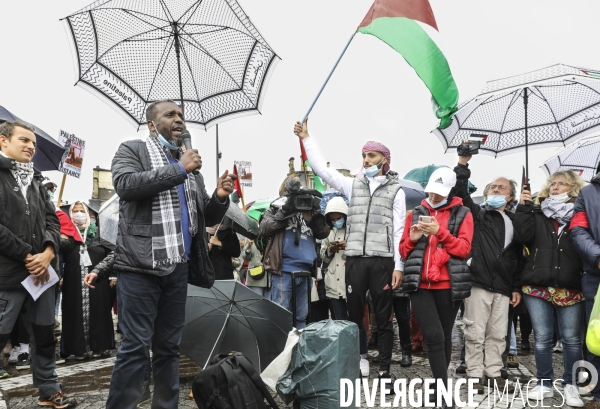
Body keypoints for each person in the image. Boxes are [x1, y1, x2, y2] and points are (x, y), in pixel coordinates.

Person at [90, 100, 233, 409]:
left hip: (178, 267)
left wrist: (220, 197)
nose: (179, 119)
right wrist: (180, 169)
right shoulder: (133, 150)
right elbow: (126, 185)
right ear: (152, 124)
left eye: (181, 115)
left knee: (169, 347)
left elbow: (203, 216)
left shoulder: (191, 165)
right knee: (135, 347)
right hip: (140, 267)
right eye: (170, 114)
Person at [296, 119, 404, 383]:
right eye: (364, 155)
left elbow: (399, 231)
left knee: (383, 316)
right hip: (355, 260)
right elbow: (322, 171)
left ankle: (385, 368)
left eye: (372, 155)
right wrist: (307, 137)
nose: (366, 160)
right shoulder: (353, 185)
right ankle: (361, 359)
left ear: (384, 159)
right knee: (354, 315)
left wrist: (399, 266)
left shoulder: (396, 191)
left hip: (382, 261)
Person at [0, 121, 76, 407]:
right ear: (3, 141)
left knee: (44, 335)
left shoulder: (36, 179)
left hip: (42, 274)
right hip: (7, 274)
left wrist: (47, 252)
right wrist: (26, 255)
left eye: (33, 142)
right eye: (24, 140)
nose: (31, 146)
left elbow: (52, 220)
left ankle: (49, 389)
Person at [400, 167, 474, 406]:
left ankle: (436, 389)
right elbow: (403, 251)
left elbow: (463, 249)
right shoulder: (416, 212)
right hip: (419, 284)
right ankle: (443, 393)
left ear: (451, 191)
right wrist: (411, 240)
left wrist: (440, 232)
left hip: (448, 284)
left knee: (443, 337)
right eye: (431, 191)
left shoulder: (463, 213)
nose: (433, 197)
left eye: (439, 193)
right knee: (433, 335)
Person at [453, 154, 526, 392]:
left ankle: (494, 373)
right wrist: (463, 164)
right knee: (474, 332)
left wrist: (516, 287)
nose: (496, 189)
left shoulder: (516, 222)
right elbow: (461, 194)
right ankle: (474, 375)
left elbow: (516, 259)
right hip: (479, 282)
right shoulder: (479, 215)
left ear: (510, 195)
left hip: (504, 287)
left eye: (501, 187)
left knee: (498, 334)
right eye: (493, 187)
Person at [515, 170, 586, 406]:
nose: (555, 187)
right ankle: (544, 381)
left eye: (561, 184)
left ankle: (571, 385)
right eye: (552, 184)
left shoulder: (581, 213)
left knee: (572, 339)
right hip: (538, 284)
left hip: (570, 284)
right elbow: (521, 236)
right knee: (543, 338)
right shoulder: (537, 212)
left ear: (573, 187)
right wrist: (524, 207)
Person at [259, 178, 330, 329]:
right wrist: (286, 212)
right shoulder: (275, 208)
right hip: (282, 271)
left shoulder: (308, 207)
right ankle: (284, 351)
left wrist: (313, 218)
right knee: (282, 315)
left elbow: (324, 232)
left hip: (304, 271)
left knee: (302, 316)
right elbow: (264, 228)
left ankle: (299, 350)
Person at [61, 201, 115, 359]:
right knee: (74, 311)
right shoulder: (66, 232)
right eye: (75, 210)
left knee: (100, 310)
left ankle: (99, 345)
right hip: (72, 280)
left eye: (81, 210)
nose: (78, 213)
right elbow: (60, 254)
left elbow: (111, 252)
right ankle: (78, 348)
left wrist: (113, 275)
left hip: (98, 279)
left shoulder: (99, 231)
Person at [569, 162, 600, 409]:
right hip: (595, 274)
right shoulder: (588, 193)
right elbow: (578, 230)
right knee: (595, 337)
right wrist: (598, 257)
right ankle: (597, 393)